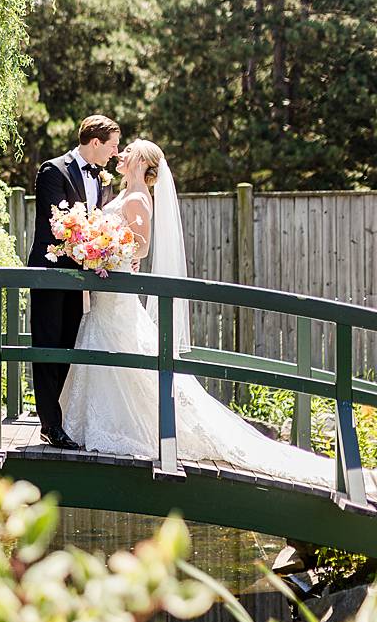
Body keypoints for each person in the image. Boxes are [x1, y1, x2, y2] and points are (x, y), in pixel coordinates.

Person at [60, 139, 375, 493]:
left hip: (116, 291)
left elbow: (143, 246)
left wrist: (109, 246)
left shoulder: (136, 199)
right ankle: (93, 424)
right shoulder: (120, 193)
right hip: (106, 289)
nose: (122, 153)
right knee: (113, 354)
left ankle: (129, 428)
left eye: (128, 149)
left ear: (141, 161)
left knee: (125, 355)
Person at [27, 115, 120, 449]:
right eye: (112, 145)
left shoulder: (104, 179)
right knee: (47, 346)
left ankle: (61, 417)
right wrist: (97, 239)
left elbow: (101, 218)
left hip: (81, 275)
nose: (115, 152)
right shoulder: (54, 170)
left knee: (68, 344)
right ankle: (49, 424)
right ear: (95, 143)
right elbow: (59, 223)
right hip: (50, 272)